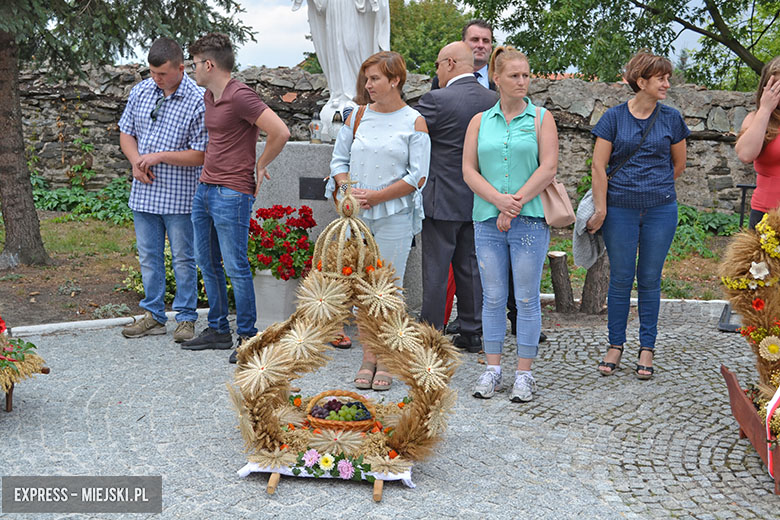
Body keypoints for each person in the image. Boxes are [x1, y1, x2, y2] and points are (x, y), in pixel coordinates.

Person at [180, 33, 290, 364]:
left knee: (236, 267)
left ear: (209, 64)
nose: (192, 70)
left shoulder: (241, 95)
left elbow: (280, 131)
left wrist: (260, 164)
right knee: (208, 262)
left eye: (194, 64)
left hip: (232, 193)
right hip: (206, 189)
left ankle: (248, 337)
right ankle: (217, 330)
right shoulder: (210, 97)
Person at [327, 51, 430, 391]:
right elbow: (339, 160)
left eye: (374, 79)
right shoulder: (356, 117)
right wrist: (346, 189)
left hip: (394, 216)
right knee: (361, 284)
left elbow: (418, 176)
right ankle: (367, 355)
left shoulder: (414, 121)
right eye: (367, 79)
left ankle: (386, 357)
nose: (368, 85)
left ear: (395, 80)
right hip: (356, 218)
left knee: (387, 288)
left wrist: (378, 196)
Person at [462, 46, 558, 402]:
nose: (522, 81)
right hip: (487, 219)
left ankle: (524, 374)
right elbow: (468, 170)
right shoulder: (479, 122)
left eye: (526, 75)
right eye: (514, 76)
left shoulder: (541, 119)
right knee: (492, 297)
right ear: (496, 79)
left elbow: (548, 167)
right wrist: (498, 201)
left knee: (527, 298)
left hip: (529, 220)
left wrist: (513, 203)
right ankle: (492, 370)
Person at [588, 51, 689, 380]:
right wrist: (602, 207)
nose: (666, 83)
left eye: (667, 77)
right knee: (620, 279)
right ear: (641, 81)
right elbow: (598, 166)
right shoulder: (613, 118)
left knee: (649, 279)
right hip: (619, 210)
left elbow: (679, 165)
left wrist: (653, 189)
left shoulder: (672, 118)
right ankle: (615, 344)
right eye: (660, 78)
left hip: (661, 210)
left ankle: (647, 347)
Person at [118, 37, 207, 343]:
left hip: (180, 196)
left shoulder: (198, 99)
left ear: (181, 68)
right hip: (144, 193)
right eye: (153, 73)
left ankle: (185, 318)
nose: (156, 79)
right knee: (148, 257)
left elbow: (201, 153)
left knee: (184, 258)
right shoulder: (141, 91)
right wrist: (135, 162)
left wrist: (158, 156)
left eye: (163, 74)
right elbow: (126, 133)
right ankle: (154, 316)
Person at [416, 42, 498, 353]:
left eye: (438, 64)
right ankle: (472, 332)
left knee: (436, 270)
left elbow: (410, 136)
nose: (436, 72)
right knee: (472, 267)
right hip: (480, 197)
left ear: (450, 63)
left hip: (442, 198)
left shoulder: (436, 100)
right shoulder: (493, 99)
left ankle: (431, 334)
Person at [735, 56, 780, 229]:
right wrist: (765, 109)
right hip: (767, 214)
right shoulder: (756, 119)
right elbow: (745, 155)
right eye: (776, 87)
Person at [431, 19, 494, 91]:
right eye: (475, 40)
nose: (480, 45)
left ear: (491, 48)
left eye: (485, 41)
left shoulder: (501, 77)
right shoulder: (442, 79)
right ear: (462, 44)